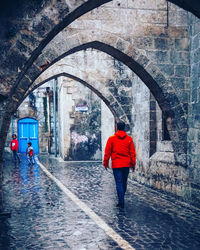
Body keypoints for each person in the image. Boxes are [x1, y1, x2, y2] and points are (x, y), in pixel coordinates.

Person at [103, 121, 136, 208]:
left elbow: (107, 152)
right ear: (124, 128)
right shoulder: (129, 139)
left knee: (119, 183)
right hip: (126, 164)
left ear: (117, 127)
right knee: (124, 182)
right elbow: (132, 153)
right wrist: (133, 164)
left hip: (117, 165)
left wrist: (105, 163)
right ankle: (122, 197)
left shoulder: (111, 139)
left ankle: (121, 201)